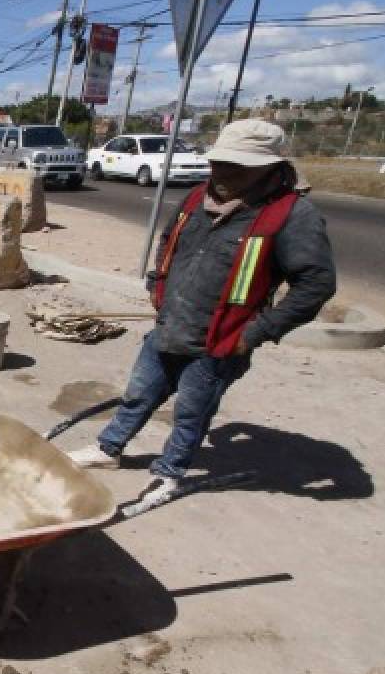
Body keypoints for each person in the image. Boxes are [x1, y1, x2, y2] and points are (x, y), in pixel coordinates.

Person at [67, 120, 336, 513]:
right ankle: (109, 448)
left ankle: (170, 472)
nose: (222, 173)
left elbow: (316, 284)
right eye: (219, 163)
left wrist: (258, 332)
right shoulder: (197, 197)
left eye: (236, 167)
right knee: (139, 394)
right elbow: (168, 241)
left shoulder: (292, 215)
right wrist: (157, 285)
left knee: (191, 413)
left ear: (269, 167)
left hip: (221, 340)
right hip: (171, 324)